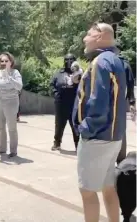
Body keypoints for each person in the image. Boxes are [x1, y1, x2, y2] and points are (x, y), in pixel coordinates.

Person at [72, 22, 126, 222]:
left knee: (87, 191)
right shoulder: (115, 60)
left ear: (100, 36)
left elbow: (98, 104)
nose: (85, 38)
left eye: (88, 34)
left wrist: (84, 129)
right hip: (113, 136)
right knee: (108, 187)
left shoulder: (100, 63)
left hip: (97, 137)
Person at [0, 52, 23, 158]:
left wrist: (9, 77)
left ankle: (13, 150)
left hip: (10, 102)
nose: (3, 63)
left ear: (11, 62)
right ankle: (2, 148)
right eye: (2, 61)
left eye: (6, 61)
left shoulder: (15, 72)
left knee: (12, 127)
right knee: (0, 127)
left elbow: (19, 86)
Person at [50, 53, 82, 151]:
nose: (69, 62)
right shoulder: (59, 73)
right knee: (59, 124)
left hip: (74, 104)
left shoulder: (79, 73)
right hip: (60, 103)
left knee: (75, 125)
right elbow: (52, 85)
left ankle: (78, 145)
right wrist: (55, 94)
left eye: (71, 60)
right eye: (67, 60)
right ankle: (57, 143)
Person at [116, 45, 136, 164]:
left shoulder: (124, 64)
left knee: (120, 130)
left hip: (119, 103)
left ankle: (121, 160)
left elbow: (130, 83)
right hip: (108, 102)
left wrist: (132, 103)